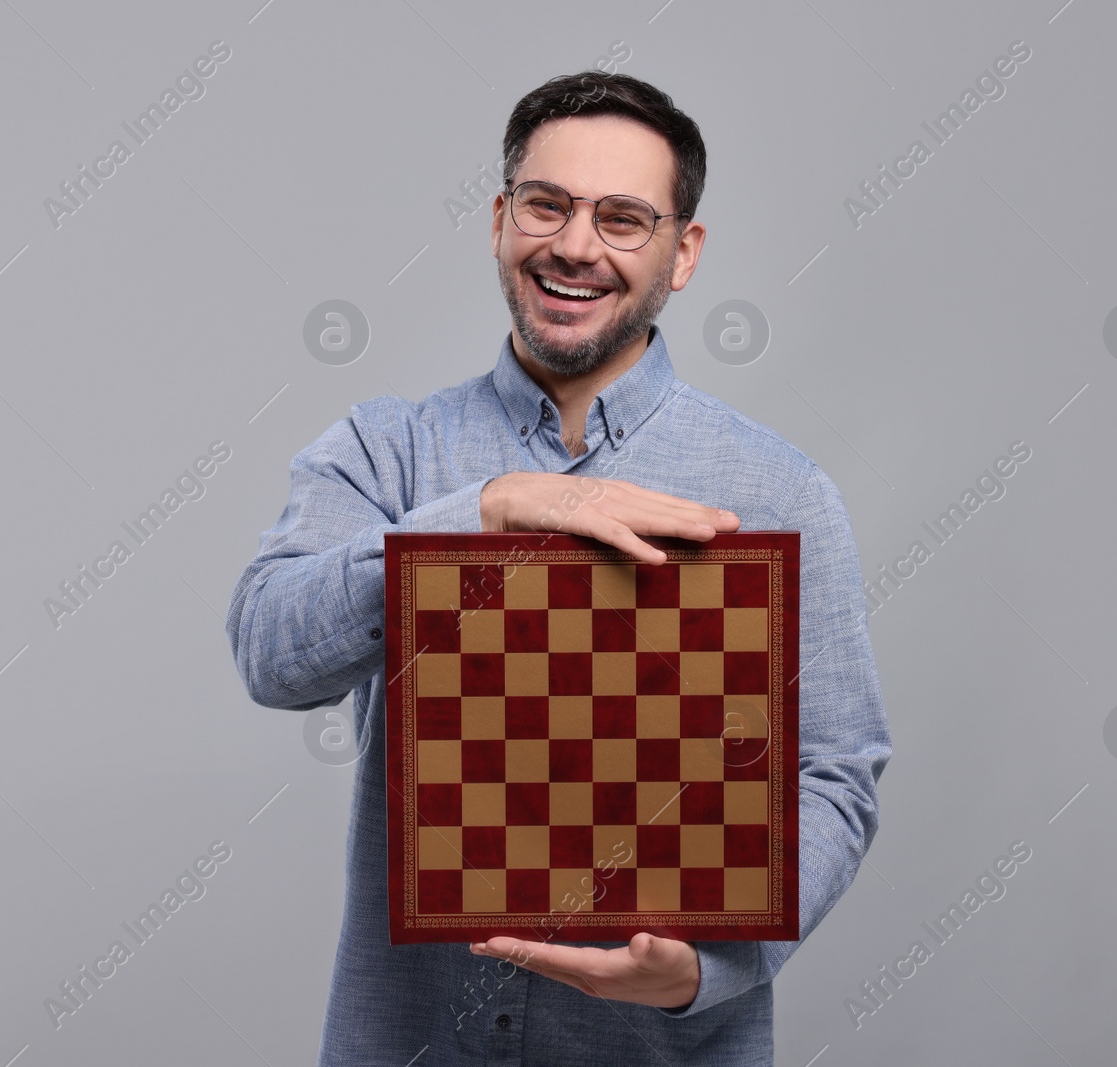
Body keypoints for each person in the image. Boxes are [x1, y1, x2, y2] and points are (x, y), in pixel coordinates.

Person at [227, 70, 891, 1066]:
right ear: (501, 220)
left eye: (624, 219)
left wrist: (712, 966)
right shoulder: (382, 451)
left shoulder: (777, 489)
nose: (575, 245)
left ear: (683, 252)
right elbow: (274, 651)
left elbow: (835, 772)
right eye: (548, 205)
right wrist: (485, 512)